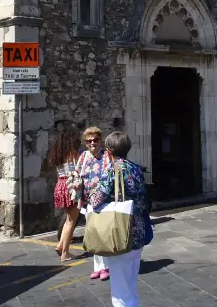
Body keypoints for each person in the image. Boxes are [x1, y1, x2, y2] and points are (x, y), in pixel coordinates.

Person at [88, 132, 150, 307]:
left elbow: (95, 200)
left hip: (119, 232)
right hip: (137, 230)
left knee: (120, 288)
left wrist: (93, 189)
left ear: (108, 151)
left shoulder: (112, 170)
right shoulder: (136, 168)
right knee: (130, 281)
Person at [78, 126, 112, 281]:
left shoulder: (107, 156)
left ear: (101, 140)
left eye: (95, 140)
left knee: (103, 234)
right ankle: (97, 267)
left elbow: (111, 177)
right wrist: (76, 183)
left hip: (104, 202)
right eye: (89, 141)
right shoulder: (83, 157)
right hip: (89, 202)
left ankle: (106, 267)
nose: (92, 143)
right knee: (93, 234)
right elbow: (76, 174)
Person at [49, 128, 83, 261]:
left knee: (68, 219)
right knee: (71, 221)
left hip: (60, 186)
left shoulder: (57, 155)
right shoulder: (73, 154)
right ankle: (65, 253)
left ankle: (60, 246)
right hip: (71, 186)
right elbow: (78, 170)